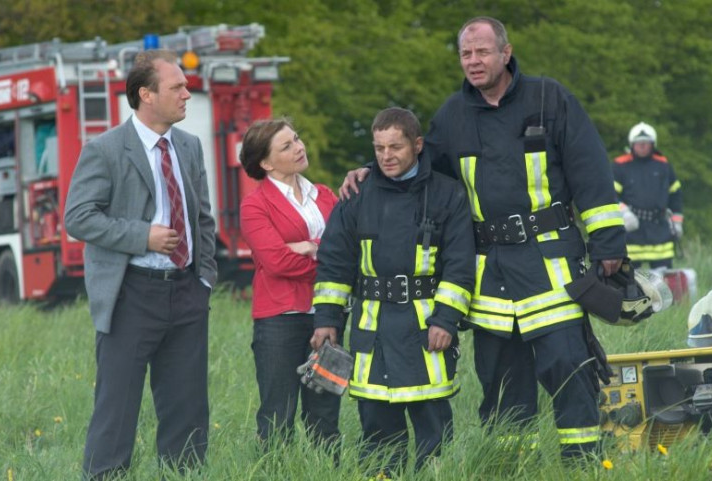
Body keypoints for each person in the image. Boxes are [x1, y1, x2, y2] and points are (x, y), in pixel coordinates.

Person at [340, 17, 627, 458]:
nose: (473, 61)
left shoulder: (549, 99)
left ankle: (582, 461)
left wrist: (607, 242)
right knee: (501, 380)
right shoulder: (453, 115)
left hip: (551, 265)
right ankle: (510, 464)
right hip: (490, 272)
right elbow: (420, 164)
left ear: (506, 53)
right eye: (465, 54)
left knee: (568, 364)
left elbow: (590, 169)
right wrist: (370, 170)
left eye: (482, 52)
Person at [64, 50, 217, 479]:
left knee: (188, 410)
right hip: (130, 294)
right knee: (116, 410)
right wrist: (142, 236)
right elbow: (78, 217)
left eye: (186, 86)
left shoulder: (189, 145)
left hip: (187, 291)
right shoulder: (105, 149)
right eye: (176, 87)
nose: (187, 94)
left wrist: (204, 278)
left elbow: (203, 218)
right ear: (146, 94)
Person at [313, 107, 474, 476]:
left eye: (395, 147)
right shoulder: (357, 194)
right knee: (377, 430)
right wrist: (327, 319)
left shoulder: (447, 194)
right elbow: (334, 263)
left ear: (417, 145)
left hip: (426, 330)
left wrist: (446, 320)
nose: (386, 156)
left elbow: (460, 263)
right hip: (373, 330)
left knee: (434, 427)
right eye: (379, 148)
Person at [238, 119, 341, 449]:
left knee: (326, 413)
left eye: (296, 139)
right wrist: (328, 261)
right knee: (277, 415)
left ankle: (327, 471)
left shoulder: (325, 196)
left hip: (328, 315)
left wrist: (310, 247)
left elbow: (346, 249)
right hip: (279, 320)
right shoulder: (255, 205)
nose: (299, 147)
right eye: (287, 146)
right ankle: (275, 470)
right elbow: (277, 262)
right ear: (266, 163)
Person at [614, 122, 683, 269]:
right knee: (631, 278)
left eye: (646, 143)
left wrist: (677, 223)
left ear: (653, 145)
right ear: (632, 144)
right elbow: (611, 195)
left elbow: (675, 196)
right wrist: (624, 213)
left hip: (660, 232)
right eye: (639, 143)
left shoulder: (663, 165)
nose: (642, 146)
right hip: (632, 231)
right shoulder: (620, 166)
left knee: (663, 279)